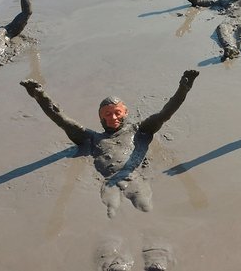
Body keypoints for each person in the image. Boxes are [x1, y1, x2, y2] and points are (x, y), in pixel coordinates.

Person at [20, 70, 198, 218]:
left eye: (117, 113)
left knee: (146, 209)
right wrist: (40, 96)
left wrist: (183, 90)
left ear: (125, 112)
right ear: (100, 117)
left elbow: (165, 113)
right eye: (106, 114)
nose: (112, 118)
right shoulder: (91, 138)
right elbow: (60, 118)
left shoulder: (141, 131)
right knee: (111, 214)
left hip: (134, 177)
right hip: (109, 181)